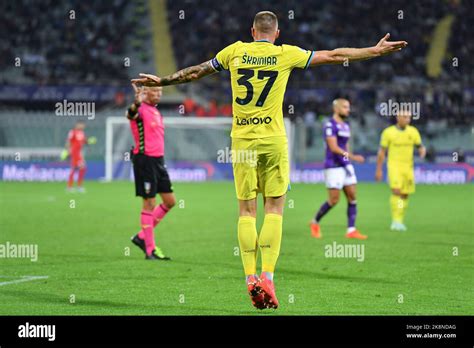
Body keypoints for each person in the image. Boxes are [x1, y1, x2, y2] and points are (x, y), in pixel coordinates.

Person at [132, 11, 407, 309]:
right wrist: (374, 51)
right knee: (274, 207)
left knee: (246, 211)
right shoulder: (285, 53)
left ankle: (250, 277)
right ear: (277, 33)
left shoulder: (234, 51)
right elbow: (334, 54)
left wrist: (161, 80)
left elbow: (195, 72)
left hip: (242, 142)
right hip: (274, 141)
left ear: (252, 31)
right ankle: (268, 276)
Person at [126, 84, 176, 260]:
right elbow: (130, 114)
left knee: (170, 201)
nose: (158, 94)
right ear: (145, 93)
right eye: (155, 91)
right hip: (145, 161)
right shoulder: (139, 109)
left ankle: (141, 237)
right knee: (149, 204)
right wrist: (135, 103)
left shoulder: (155, 111)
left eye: (160, 91)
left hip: (158, 161)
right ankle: (150, 250)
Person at [310, 98, 367, 240]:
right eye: (345, 107)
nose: (348, 109)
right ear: (336, 109)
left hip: (345, 164)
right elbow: (334, 148)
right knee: (334, 200)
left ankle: (351, 230)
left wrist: (348, 161)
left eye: (349, 107)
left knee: (352, 196)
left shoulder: (346, 126)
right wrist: (352, 157)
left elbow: (345, 146)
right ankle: (314, 222)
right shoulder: (330, 125)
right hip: (333, 166)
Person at [375, 112, 426, 231]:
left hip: (408, 167)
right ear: (398, 117)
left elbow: (420, 145)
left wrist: (422, 150)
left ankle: (400, 220)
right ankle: (395, 221)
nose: (408, 120)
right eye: (405, 117)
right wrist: (378, 170)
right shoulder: (388, 132)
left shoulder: (413, 132)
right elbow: (382, 152)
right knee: (396, 191)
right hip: (394, 166)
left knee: (404, 194)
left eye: (409, 117)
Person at [63, 121, 96, 192]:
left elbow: (84, 141)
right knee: (77, 168)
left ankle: (75, 186)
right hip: (74, 153)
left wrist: (90, 141)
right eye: (81, 124)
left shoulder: (82, 133)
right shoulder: (72, 132)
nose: (83, 126)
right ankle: (72, 186)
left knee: (81, 168)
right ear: (77, 124)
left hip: (79, 153)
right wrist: (67, 151)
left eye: (83, 125)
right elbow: (68, 141)